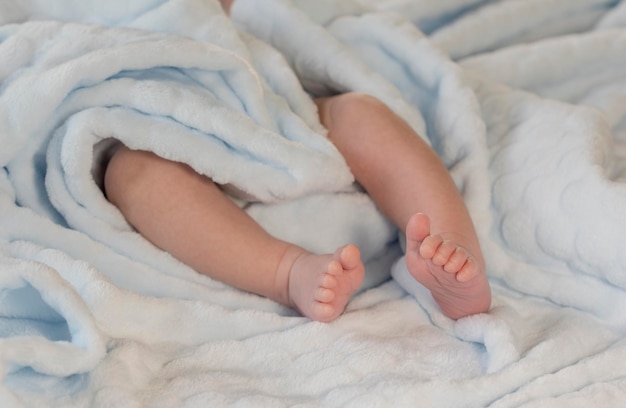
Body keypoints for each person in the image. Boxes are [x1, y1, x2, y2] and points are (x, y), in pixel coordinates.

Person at [103, 1, 492, 323]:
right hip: (158, 124)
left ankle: (451, 246)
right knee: (133, 173)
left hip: (272, 110)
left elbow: (249, 22)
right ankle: (288, 272)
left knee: (361, 114)